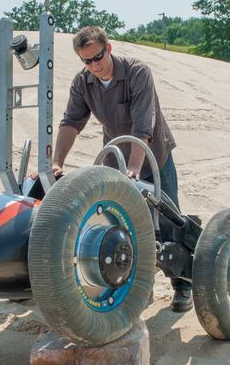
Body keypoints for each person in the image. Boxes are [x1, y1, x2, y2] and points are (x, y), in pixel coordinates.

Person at [50, 26, 192, 312]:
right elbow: (71, 122)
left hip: (153, 156)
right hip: (116, 158)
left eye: (98, 58)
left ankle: (183, 285)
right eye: (86, 61)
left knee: (168, 220)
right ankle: (140, 287)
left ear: (109, 48)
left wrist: (136, 169)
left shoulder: (138, 73)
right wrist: (57, 162)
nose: (94, 66)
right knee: (125, 224)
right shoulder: (83, 83)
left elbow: (143, 126)